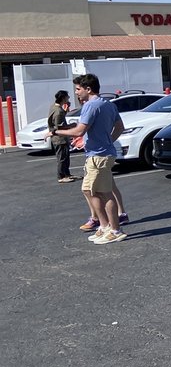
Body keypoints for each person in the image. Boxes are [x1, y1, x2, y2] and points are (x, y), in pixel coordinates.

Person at [57, 74, 127, 244]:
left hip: (99, 156)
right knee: (88, 190)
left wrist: (57, 132)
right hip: (96, 154)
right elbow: (119, 127)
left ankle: (115, 230)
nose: (76, 93)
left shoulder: (91, 106)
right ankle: (103, 226)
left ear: (88, 89)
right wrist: (108, 139)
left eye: (78, 89)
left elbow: (79, 130)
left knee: (104, 193)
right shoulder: (108, 104)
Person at [47, 90, 75, 182]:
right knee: (62, 157)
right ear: (63, 98)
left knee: (65, 157)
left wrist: (66, 109)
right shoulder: (58, 111)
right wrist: (71, 126)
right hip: (60, 138)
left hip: (60, 137)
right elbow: (59, 126)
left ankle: (67, 174)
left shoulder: (55, 107)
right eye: (67, 96)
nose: (69, 98)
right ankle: (61, 176)